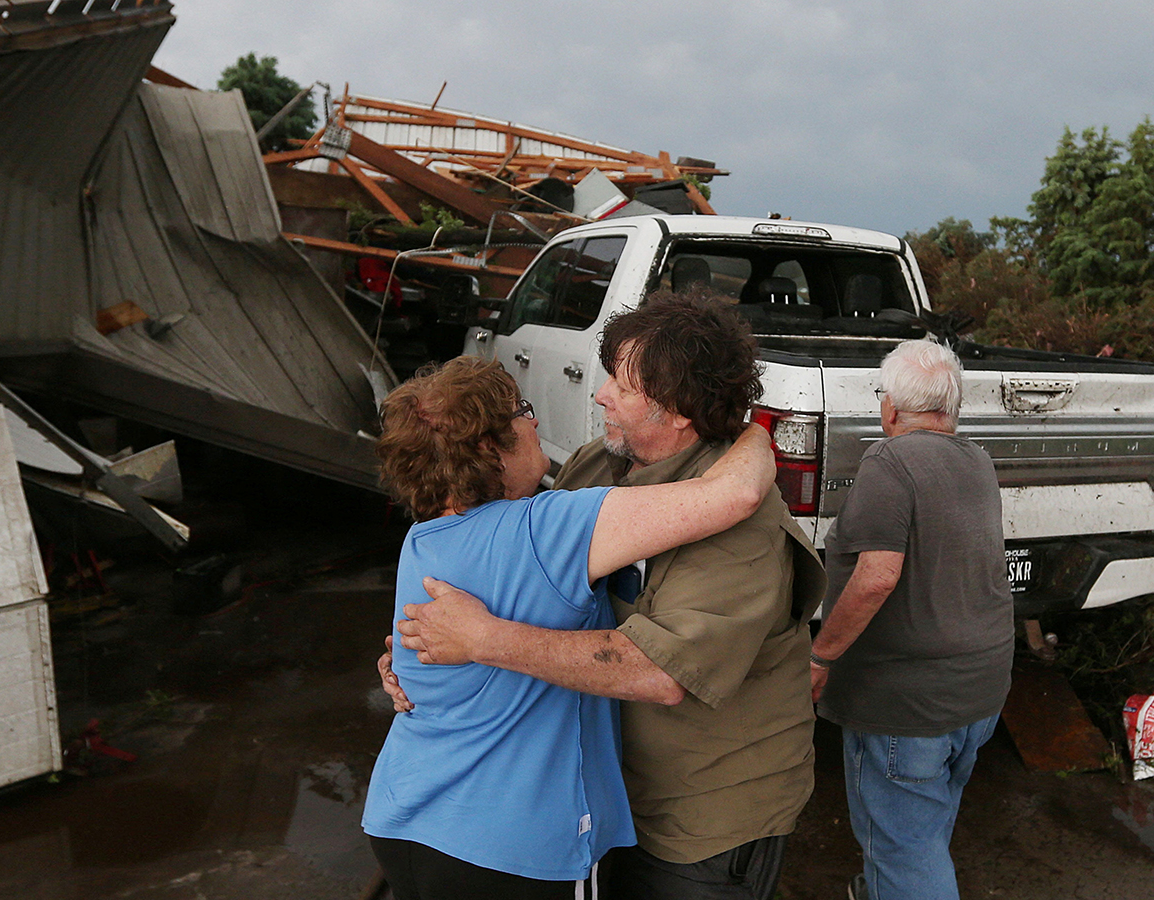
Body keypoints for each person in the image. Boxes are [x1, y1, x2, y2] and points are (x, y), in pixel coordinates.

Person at [388, 292, 826, 900]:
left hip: (698, 820)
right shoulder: (600, 464)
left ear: (676, 410)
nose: (599, 396)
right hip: (605, 803)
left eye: (621, 384)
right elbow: (503, 563)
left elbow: (660, 672)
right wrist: (416, 658)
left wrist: (481, 640)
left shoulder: (740, 532)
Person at [807, 339, 1014, 900]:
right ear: (951, 409)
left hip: (908, 706)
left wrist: (820, 655)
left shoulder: (889, 461)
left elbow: (876, 577)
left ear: (891, 408)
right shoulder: (977, 460)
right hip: (979, 692)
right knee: (924, 829)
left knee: (906, 855)